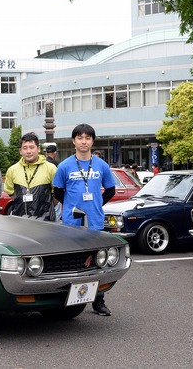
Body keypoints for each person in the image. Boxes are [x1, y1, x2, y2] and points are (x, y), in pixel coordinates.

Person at [53, 123, 116, 316]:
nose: (83, 141)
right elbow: (58, 192)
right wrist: (72, 207)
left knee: (99, 263)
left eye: (87, 138)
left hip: (95, 222)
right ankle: (70, 301)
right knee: (73, 263)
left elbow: (111, 190)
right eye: (79, 138)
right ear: (73, 141)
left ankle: (99, 301)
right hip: (72, 224)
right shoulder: (64, 166)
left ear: (92, 141)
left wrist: (95, 205)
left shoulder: (101, 165)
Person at [4, 133, 57, 221]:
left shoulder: (51, 168)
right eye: (25, 148)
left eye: (32, 147)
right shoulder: (12, 170)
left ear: (38, 149)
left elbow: (56, 194)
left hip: (45, 221)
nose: (28, 151)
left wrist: (45, 207)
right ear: (20, 151)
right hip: (19, 220)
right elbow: (11, 193)